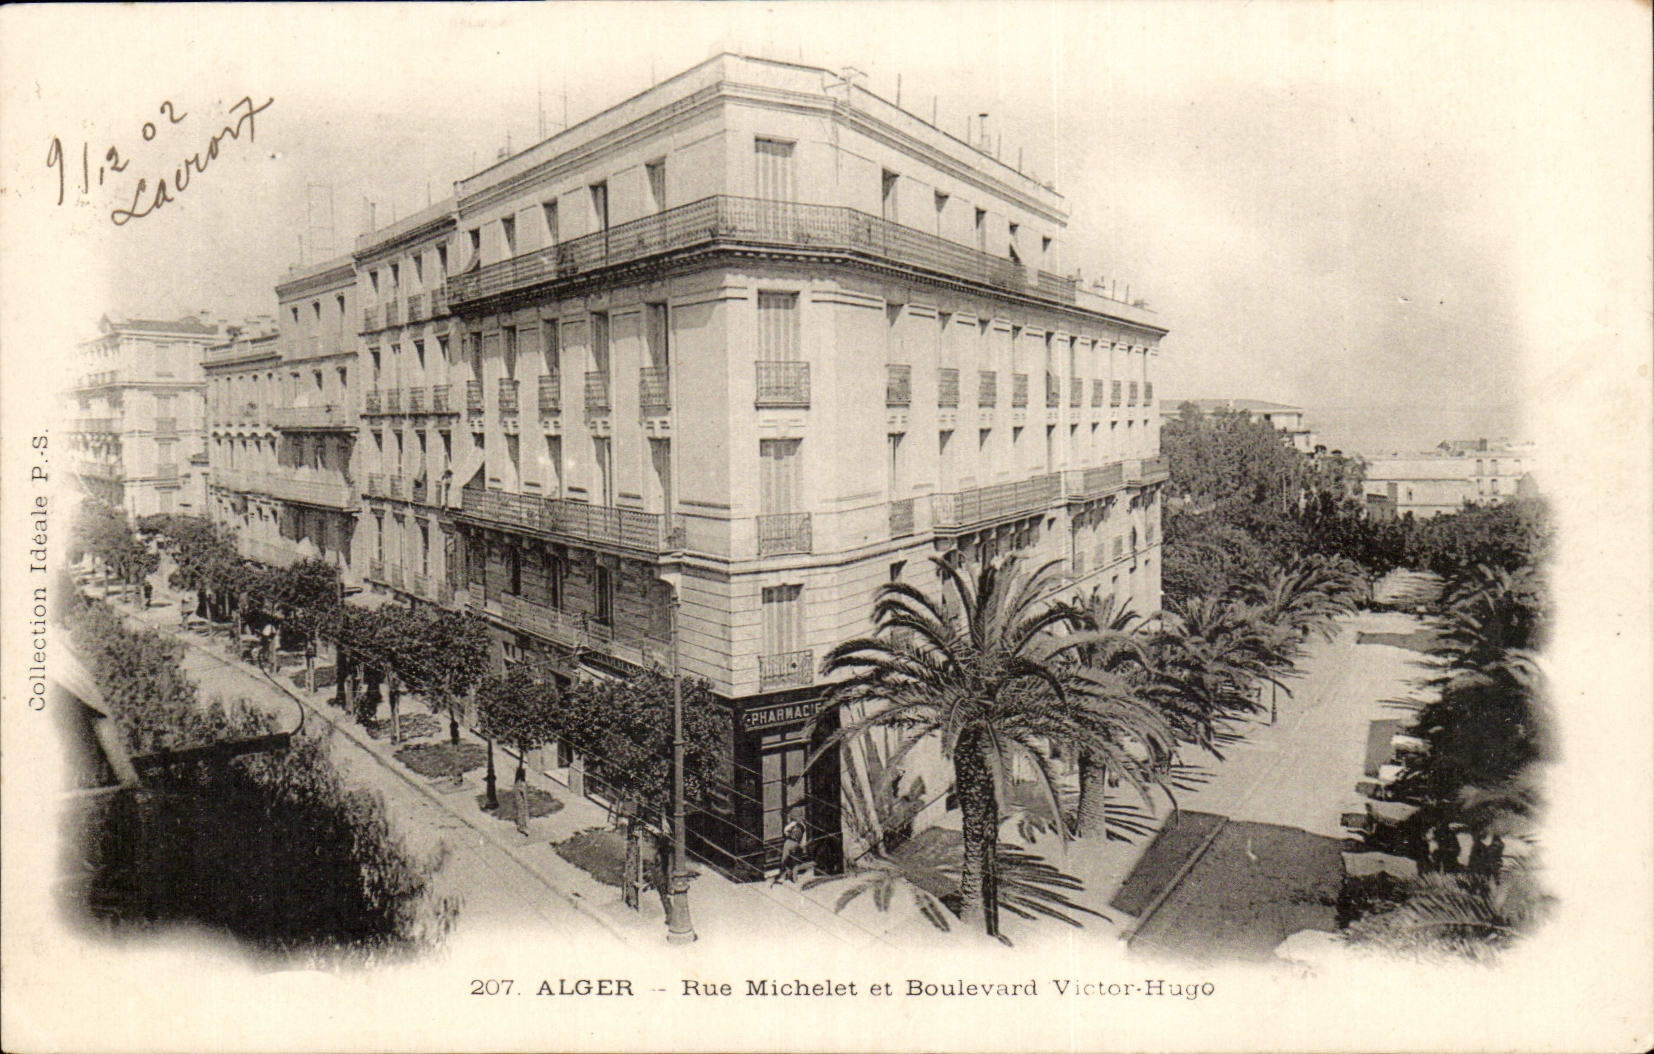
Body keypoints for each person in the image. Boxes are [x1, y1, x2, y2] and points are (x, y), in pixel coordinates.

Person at [772, 816, 808, 886]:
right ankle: (795, 879)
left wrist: (788, 834)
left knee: (784, 861)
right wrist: (801, 847)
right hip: (797, 845)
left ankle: (784, 877)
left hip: (789, 842)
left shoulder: (794, 824)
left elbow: (785, 830)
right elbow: (804, 841)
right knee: (795, 863)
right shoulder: (804, 828)